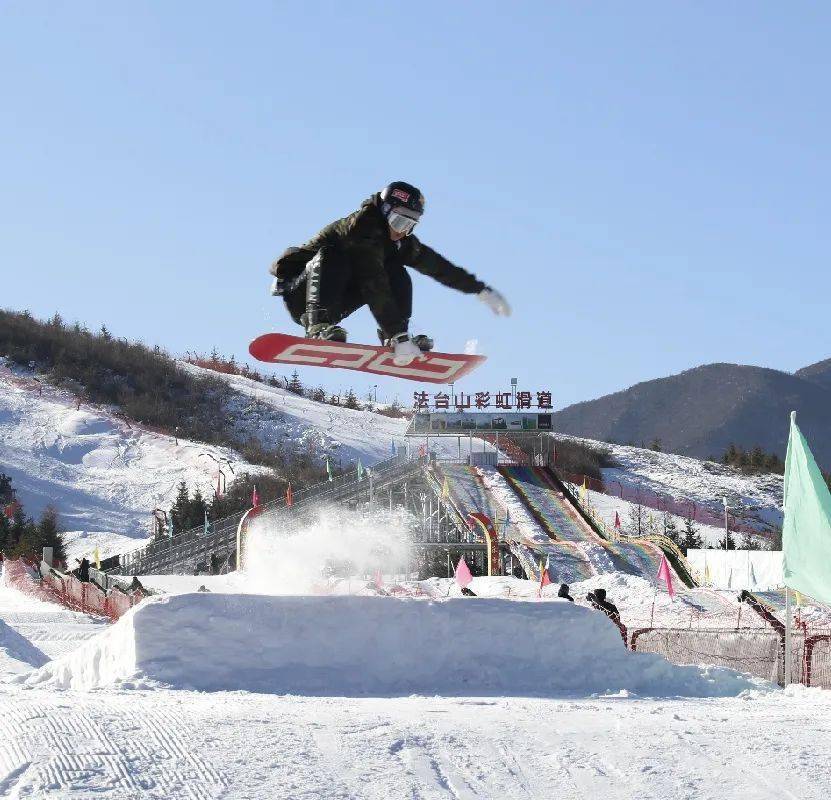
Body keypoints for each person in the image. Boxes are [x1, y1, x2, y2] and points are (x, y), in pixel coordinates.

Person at [269, 181, 511, 365]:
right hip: (303, 295)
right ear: (385, 211)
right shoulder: (360, 229)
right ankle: (316, 327)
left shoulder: (398, 242)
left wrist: (479, 290)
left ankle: (392, 338)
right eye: (398, 222)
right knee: (335, 255)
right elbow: (373, 282)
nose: (401, 231)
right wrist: (399, 332)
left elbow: (437, 266)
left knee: (396, 269)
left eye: (409, 225)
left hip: (338, 296)